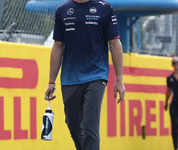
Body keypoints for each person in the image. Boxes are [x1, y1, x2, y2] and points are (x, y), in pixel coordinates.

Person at [44, 0, 125, 150]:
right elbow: (57, 46)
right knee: (74, 127)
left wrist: (119, 80)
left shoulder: (105, 8)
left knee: (90, 125)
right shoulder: (62, 10)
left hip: (96, 75)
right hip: (70, 77)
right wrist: (51, 81)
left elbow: (115, 44)